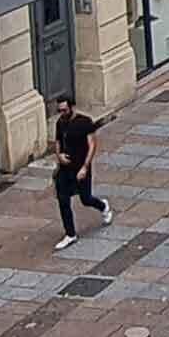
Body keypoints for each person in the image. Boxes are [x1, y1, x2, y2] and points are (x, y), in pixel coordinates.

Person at [51, 94, 111, 250]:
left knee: (86, 198)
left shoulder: (84, 122)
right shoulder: (60, 123)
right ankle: (70, 233)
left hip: (80, 166)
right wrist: (59, 156)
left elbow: (92, 145)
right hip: (65, 168)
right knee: (63, 200)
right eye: (60, 110)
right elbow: (58, 142)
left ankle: (102, 206)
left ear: (71, 107)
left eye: (64, 110)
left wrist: (85, 167)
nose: (62, 113)